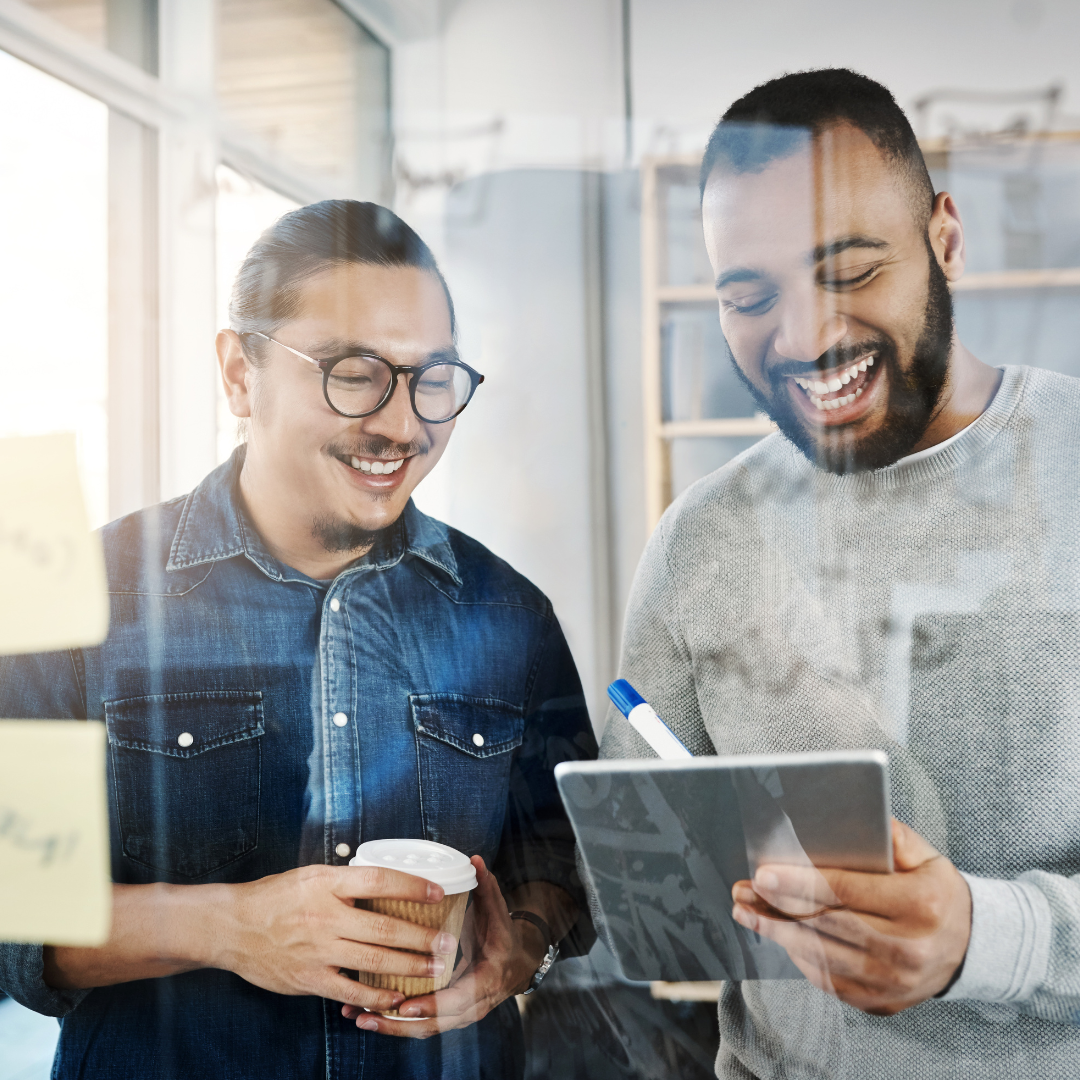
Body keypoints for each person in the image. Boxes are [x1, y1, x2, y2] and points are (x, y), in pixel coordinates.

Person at [0, 200, 596, 1079]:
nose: (402, 426)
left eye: (432, 379)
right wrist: (231, 928)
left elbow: (561, 861)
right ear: (241, 373)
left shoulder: (509, 614)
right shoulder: (75, 598)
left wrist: (516, 956)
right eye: (355, 372)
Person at [599, 68, 1080, 1077]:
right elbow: (647, 885)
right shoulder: (700, 541)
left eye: (851, 272)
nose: (806, 336)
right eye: (749, 295)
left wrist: (980, 939)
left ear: (945, 240)